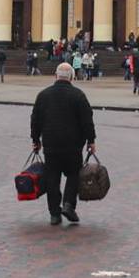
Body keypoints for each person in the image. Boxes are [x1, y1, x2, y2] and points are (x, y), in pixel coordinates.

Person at [29, 63, 96, 226]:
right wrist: (91, 140)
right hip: (73, 145)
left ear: (55, 76)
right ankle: (68, 204)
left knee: (52, 178)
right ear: (72, 77)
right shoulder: (78, 95)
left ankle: (54, 214)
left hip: (51, 145)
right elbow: (87, 120)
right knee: (73, 175)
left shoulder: (43, 95)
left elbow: (35, 120)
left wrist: (36, 140)